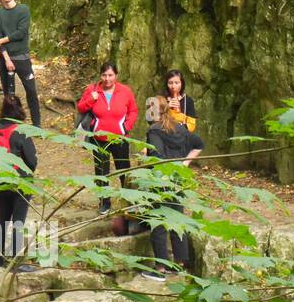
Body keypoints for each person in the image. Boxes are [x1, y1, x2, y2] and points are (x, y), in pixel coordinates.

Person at [140, 94, 204, 281]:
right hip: (178, 180)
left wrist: (146, 157)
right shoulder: (179, 128)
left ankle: (160, 268)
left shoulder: (154, 131)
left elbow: (158, 156)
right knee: (176, 219)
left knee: (158, 222)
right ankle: (179, 264)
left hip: (161, 181)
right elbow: (198, 144)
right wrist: (184, 164)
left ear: (153, 110)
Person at [0, 93, 40, 273]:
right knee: (18, 221)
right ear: (20, 109)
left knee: (3, 219)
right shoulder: (21, 131)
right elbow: (32, 161)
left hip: (0, 181)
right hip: (20, 182)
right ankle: (16, 263)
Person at [76, 61, 138, 214]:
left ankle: (128, 201)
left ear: (116, 75)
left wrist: (126, 127)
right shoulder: (92, 89)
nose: (107, 78)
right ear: (100, 75)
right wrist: (92, 98)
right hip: (98, 138)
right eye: (104, 75)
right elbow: (80, 107)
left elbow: (133, 111)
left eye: (110, 75)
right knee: (101, 171)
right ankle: (105, 203)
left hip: (119, 138)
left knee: (123, 169)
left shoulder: (125, 91)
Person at [0, 0, 41, 130]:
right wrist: (6, 59)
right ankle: (10, 122)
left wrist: (3, 40)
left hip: (22, 58)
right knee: (8, 93)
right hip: (5, 58)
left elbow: (21, 32)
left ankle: (37, 124)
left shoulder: (23, 10)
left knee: (31, 90)